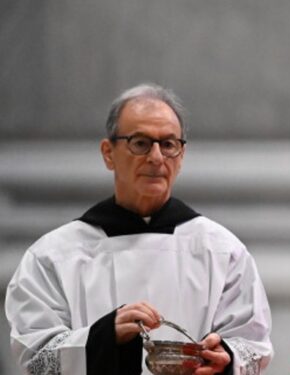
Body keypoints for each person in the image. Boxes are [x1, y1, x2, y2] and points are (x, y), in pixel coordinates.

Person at [5, 83, 273, 375]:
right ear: (109, 153)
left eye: (169, 144)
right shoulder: (54, 255)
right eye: (141, 143)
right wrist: (104, 336)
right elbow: (35, 359)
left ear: (181, 156)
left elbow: (252, 345)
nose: (156, 157)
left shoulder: (222, 250)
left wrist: (226, 358)